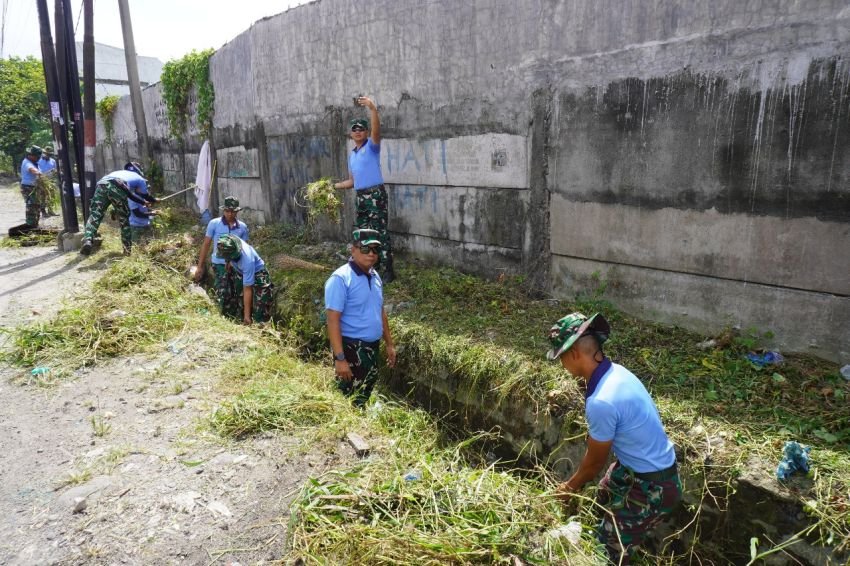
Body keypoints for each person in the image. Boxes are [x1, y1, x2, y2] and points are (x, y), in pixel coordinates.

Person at [548, 312, 681, 564]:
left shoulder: (601, 401)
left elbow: (595, 462)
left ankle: (614, 549)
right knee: (604, 494)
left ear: (574, 354)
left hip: (652, 487)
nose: (563, 365)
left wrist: (568, 487)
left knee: (606, 553)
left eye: (561, 358)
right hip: (642, 469)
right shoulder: (617, 373)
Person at [324, 228, 397, 407]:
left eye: (375, 250)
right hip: (352, 349)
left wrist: (389, 343)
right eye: (365, 249)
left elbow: (379, 311)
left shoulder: (374, 275)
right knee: (347, 396)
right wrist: (340, 359)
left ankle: (359, 420)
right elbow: (332, 320)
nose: (371, 254)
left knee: (364, 390)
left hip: (371, 347)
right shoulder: (341, 279)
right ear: (353, 250)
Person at [331, 96, 396, 283]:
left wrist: (373, 109)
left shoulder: (372, 147)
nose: (358, 132)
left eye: (361, 129)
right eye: (355, 129)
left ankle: (387, 269)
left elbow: (377, 131)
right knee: (365, 232)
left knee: (380, 231)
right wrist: (332, 187)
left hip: (375, 195)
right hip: (361, 197)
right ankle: (370, 266)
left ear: (366, 132)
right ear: (351, 134)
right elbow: (352, 181)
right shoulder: (352, 155)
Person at [80, 161, 157, 256]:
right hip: (117, 188)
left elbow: (129, 194)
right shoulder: (140, 179)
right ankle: (127, 251)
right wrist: (153, 200)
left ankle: (88, 239)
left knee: (95, 215)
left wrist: (143, 202)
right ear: (139, 171)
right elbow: (144, 195)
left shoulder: (120, 173)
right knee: (124, 220)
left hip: (101, 185)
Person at [193, 196, 250, 301]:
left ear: (237, 211)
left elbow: (245, 249)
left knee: (238, 292)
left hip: (236, 265)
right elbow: (206, 244)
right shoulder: (214, 224)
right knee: (224, 292)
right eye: (227, 211)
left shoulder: (242, 227)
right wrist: (200, 266)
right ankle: (222, 313)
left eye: (233, 211)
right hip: (219, 264)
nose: (230, 214)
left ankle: (235, 315)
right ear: (223, 210)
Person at [214, 234, 274, 325]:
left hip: (258, 274)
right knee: (240, 299)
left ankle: (259, 325)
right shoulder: (229, 241)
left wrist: (247, 316)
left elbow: (247, 289)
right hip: (240, 272)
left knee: (260, 307)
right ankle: (242, 319)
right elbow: (226, 254)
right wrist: (228, 262)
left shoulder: (247, 260)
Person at [19, 146, 43, 227]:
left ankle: (35, 224)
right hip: (28, 187)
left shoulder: (35, 162)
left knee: (37, 205)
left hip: (35, 187)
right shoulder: (27, 162)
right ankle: (30, 225)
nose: (38, 158)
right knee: (31, 205)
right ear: (31, 155)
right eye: (37, 156)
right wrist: (38, 173)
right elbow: (32, 169)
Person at [128, 179, 157, 246]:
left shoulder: (143, 198)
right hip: (136, 226)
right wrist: (152, 213)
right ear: (137, 188)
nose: (146, 190)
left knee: (150, 245)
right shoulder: (132, 199)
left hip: (146, 224)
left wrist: (152, 209)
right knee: (135, 246)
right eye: (145, 188)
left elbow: (145, 210)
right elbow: (138, 214)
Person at [37, 146, 58, 216]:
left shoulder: (53, 161)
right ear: (43, 153)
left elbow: (55, 170)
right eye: (46, 153)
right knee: (42, 196)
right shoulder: (38, 160)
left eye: (49, 154)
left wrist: (55, 171)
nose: (47, 155)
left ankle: (50, 210)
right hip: (41, 180)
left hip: (50, 181)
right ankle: (43, 212)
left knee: (51, 196)